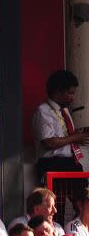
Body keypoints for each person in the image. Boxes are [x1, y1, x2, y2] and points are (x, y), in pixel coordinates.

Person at [32, 70, 88, 220]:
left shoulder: (64, 111)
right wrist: (75, 137)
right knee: (56, 209)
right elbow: (49, 142)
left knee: (84, 203)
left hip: (71, 162)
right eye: (69, 93)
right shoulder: (42, 111)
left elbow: (64, 135)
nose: (72, 97)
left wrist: (79, 133)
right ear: (58, 91)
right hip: (52, 164)